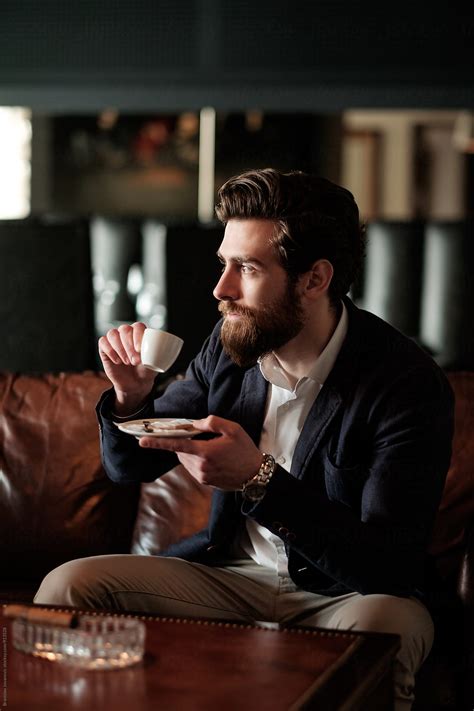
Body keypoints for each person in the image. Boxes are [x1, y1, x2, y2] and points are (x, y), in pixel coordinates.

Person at [35, 168, 454, 710]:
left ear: (314, 279)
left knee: (383, 627)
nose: (221, 288)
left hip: (346, 594)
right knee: (71, 586)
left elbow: (386, 565)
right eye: (223, 263)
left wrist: (259, 479)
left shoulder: (406, 383)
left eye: (247, 268)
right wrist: (132, 399)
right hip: (230, 579)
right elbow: (129, 468)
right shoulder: (232, 347)